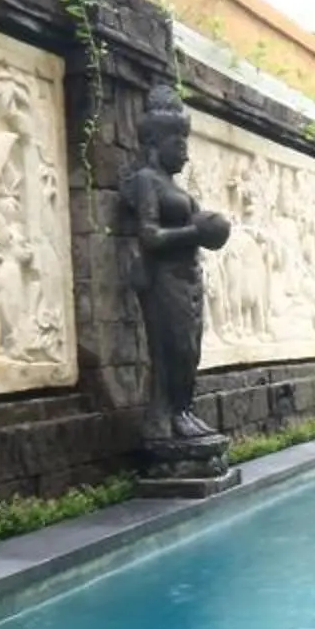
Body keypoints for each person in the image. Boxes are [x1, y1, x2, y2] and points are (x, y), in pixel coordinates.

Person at [119, 101, 231, 445]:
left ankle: (183, 410)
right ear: (156, 143)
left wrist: (209, 231)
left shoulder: (176, 187)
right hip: (164, 278)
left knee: (191, 350)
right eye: (178, 142)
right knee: (173, 348)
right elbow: (150, 236)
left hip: (190, 277)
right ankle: (164, 417)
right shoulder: (147, 181)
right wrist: (196, 232)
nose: (185, 151)